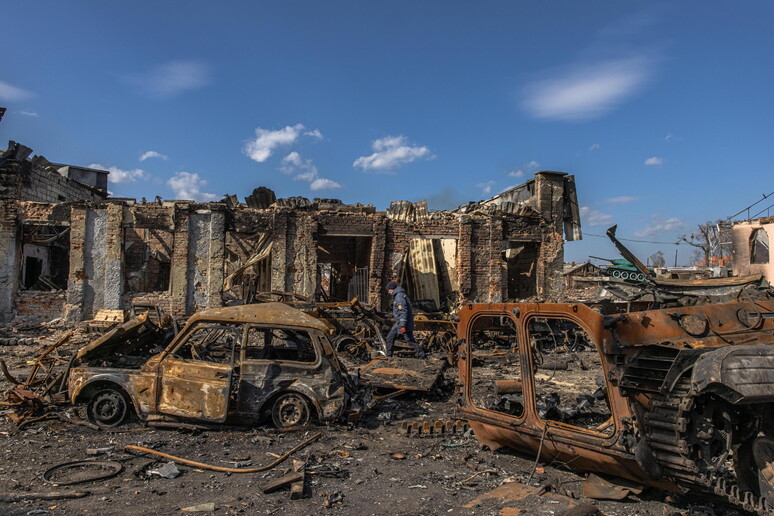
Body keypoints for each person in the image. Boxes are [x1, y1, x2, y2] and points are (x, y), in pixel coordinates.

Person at [384, 281, 427, 359]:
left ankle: (423, 357)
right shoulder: (398, 295)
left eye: (388, 290)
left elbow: (403, 311)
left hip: (403, 323)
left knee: (410, 341)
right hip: (398, 323)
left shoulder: (399, 297)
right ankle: (389, 357)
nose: (388, 292)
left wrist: (403, 325)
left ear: (391, 289)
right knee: (390, 338)